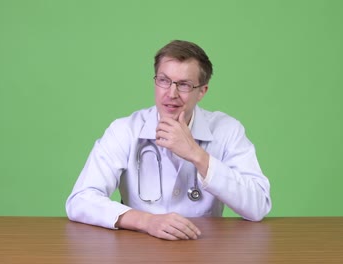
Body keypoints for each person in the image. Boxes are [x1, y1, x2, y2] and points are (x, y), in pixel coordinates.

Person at [66, 40, 271, 240]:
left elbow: (258, 205)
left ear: (202, 91)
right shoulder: (124, 130)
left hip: (203, 246)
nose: (171, 94)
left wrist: (197, 155)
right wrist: (147, 221)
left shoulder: (227, 129)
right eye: (163, 80)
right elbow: (80, 200)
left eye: (184, 85)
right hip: (140, 246)